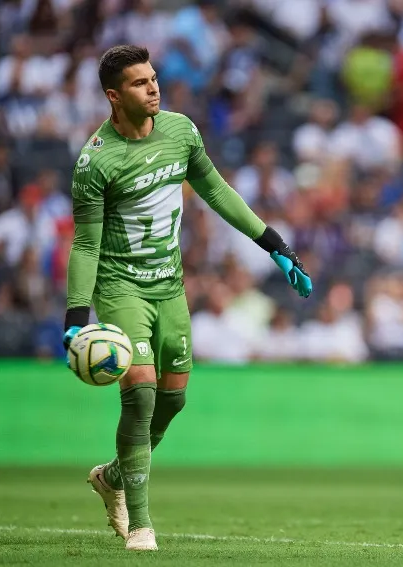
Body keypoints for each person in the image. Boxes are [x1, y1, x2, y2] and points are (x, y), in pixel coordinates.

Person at [61, 45, 312, 551]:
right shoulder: (95, 162)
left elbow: (216, 191)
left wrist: (276, 247)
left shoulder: (180, 131)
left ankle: (112, 477)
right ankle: (141, 524)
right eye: (139, 83)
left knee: (173, 400)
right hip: (121, 285)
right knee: (143, 391)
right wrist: (76, 316)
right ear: (114, 96)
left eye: (153, 78)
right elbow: (86, 243)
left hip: (169, 285)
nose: (153, 87)